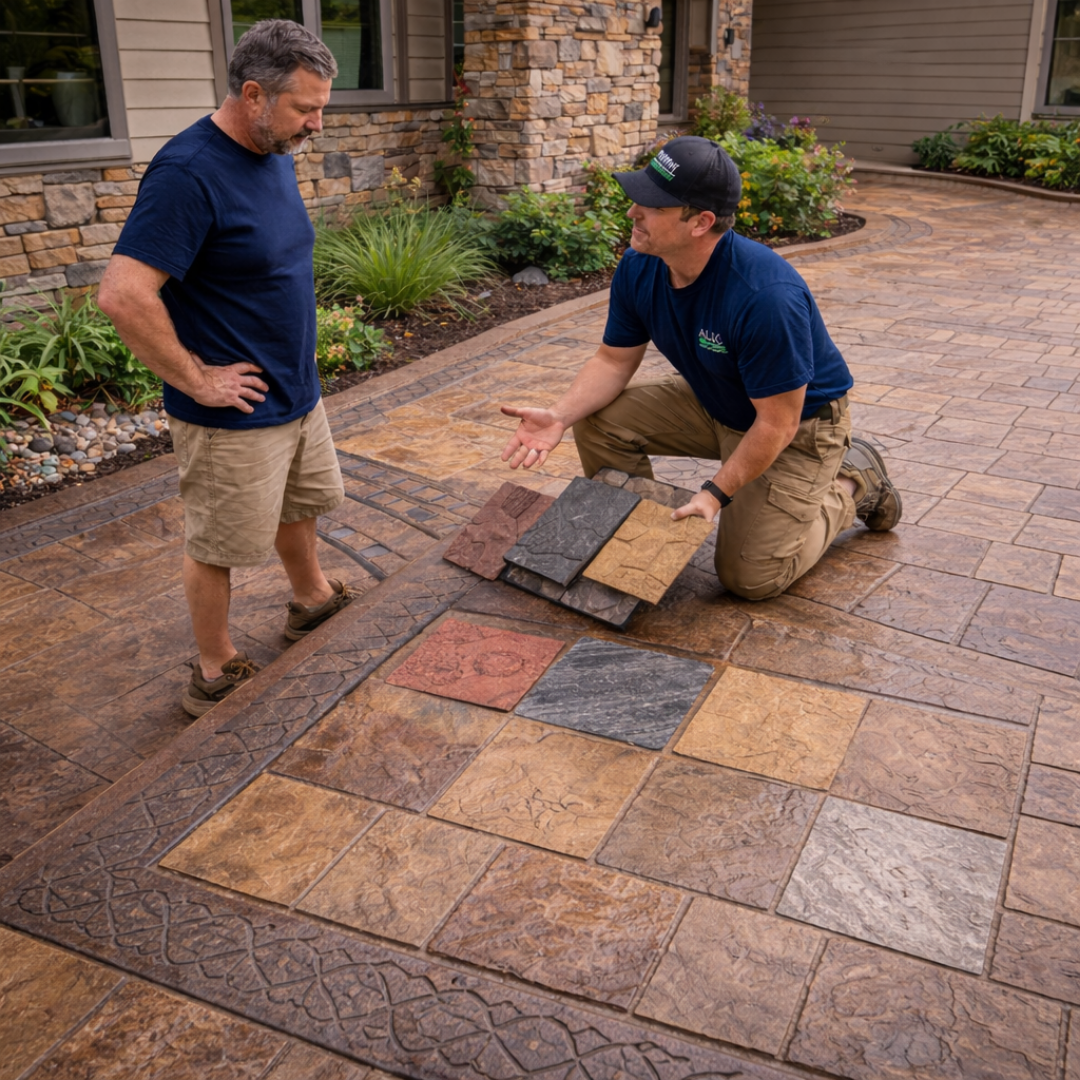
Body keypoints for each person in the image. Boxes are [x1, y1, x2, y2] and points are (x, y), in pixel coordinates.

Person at [500, 135, 900, 601]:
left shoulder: (764, 297)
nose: (633, 212)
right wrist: (560, 415)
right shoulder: (640, 265)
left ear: (702, 222)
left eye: (651, 205)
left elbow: (778, 423)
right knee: (598, 418)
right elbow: (613, 359)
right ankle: (642, 539)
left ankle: (855, 479)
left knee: (750, 578)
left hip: (799, 430)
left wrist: (713, 494)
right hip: (715, 398)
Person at [99, 20, 353, 717]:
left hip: (293, 389)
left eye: (320, 108)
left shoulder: (271, 146)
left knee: (297, 505)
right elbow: (123, 294)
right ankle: (215, 667)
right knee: (218, 543)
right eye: (306, 108)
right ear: (253, 94)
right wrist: (197, 378)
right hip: (231, 410)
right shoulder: (189, 172)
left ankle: (310, 599)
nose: (316, 125)